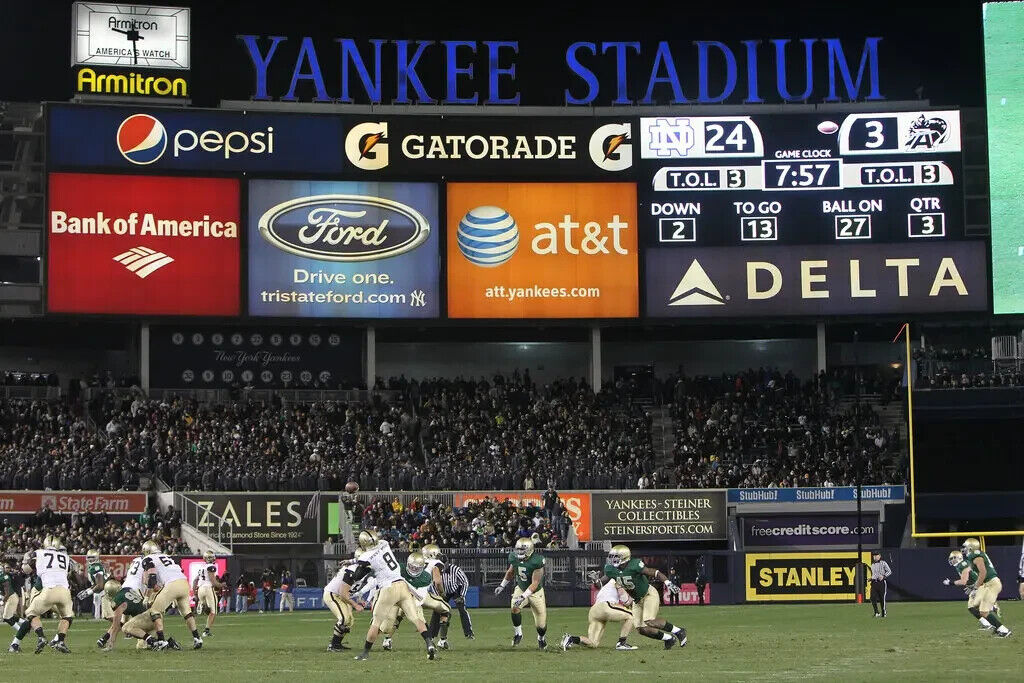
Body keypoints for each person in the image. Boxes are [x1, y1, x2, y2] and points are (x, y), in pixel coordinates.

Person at [344, 529, 436, 661]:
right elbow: (371, 557)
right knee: (416, 619)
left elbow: (359, 574)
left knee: (376, 623)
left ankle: (365, 653)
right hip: (402, 585)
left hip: (388, 588)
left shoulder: (366, 556)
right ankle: (429, 644)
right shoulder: (384, 543)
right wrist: (352, 561)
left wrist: (355, 570)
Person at [593, 545, 686, 650]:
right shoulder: (611, 569)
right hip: (637, 600)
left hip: (648, 594)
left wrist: (668, 583)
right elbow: (600, 584)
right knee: (641, 629)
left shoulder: (634, 565)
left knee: (649, 620)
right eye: (612, 556)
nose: (612, 559)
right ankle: (669, 639)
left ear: (624, 557)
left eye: (616, 556)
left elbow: (655, 573)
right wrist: (595, 580)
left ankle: (679, 631)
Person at [10, 535, 75, 654]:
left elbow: (26, 570)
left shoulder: (40, 553)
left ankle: (49, 639)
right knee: (67, 616)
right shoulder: (65, 558)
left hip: (47, 590)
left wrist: (24, 565)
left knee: (31, 614)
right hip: (50, 590)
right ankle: (16, 643)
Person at [141, 539, 203, 649]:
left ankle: (161, 641)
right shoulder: (167, 557)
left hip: (171, 584)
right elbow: (179, 571)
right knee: (187, 613)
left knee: (155, 611)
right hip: (184, 583)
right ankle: (197, 638)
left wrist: (147, 596)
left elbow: (152, 577)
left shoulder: (148, 558)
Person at [495, 537, 547, 649]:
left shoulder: (537, 561)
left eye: (522, 550)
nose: (519, 552)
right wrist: (502, 585)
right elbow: (510, 572)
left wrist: (523, 597)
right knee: (515, 608)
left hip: (536, 592)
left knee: (541, 626)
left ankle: (541, 638)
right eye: (518, 549)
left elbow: (535, 583)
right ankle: (518, 634)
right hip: (521, 588)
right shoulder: (514, 557)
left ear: (529, 550)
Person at [561, 579, 637, 650]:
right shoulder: (617, 580)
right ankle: (621, 643)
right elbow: (625, 601)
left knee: (593, 643)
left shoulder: (608, 584)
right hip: (605, 606)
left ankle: (571, 639)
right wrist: (633, 597)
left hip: (594, 611)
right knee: (631, 615)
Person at [961, 537, 1012, 637]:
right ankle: (993, 607)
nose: (964, 549)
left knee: (983, 612)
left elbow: (983, 573)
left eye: (965, 547)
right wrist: (974, 586)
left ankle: (1004, 631)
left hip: (992, 584)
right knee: (974, 605)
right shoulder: (974, 556)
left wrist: (975, 587)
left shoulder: (976, 557)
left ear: (971, 548)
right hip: (987, 584)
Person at [944, 549, 1001, 631]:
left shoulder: (962, 565)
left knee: (972, 607)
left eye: (953, 558)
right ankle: (988, 621)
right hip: (976, 585)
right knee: (973, 607)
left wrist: (950, 582)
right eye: (951, 559)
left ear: (959, 557)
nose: (952, 560)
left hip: (977, 586)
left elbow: (963, 581)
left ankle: (992, 611)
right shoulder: (962, 564)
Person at [193, 550, 223, 637]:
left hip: (200, 589)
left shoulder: (202, 568)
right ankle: (206, 631)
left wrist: (195, 593)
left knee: (208, 611)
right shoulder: (211, 567)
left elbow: (195, 580)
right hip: (208, 589)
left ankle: (202, 604)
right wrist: (222, 585)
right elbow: (213, 581)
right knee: (213, 611)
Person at [869, 552, 891, 618]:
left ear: (879, 556)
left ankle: (884, 612)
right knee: (872, 597)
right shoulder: (872, 564)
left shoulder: (883, 563)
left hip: (881, 583)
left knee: (882, 598)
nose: (875, 556)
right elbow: (874, 574)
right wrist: (871, 578)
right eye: (874, 555)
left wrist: (884, 576)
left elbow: (889, 571)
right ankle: (876, 612)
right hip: (874, 583)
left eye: (876, 555)